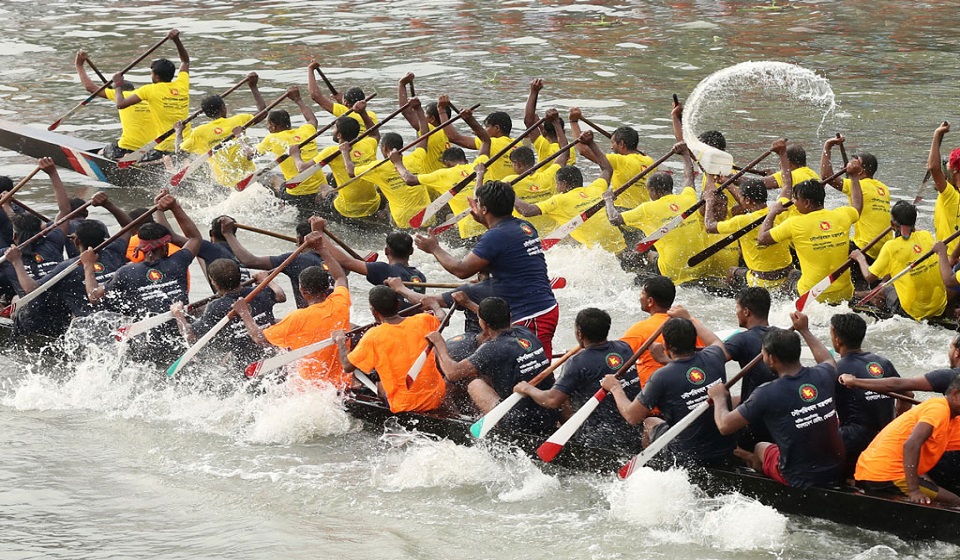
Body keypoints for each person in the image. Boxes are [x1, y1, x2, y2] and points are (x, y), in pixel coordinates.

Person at [414, 179, 559, 356]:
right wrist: (484, 221)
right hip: (539, 305)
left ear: (484, 209)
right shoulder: (524, 226)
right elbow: (499, 247)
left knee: (534, 368)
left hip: (530, 313)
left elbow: (462, 270)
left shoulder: (496, 236)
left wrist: (434, 248)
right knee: (470, 289)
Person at [708, 312, 845, 489]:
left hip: (797, 477)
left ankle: (753, 465)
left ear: (772, 358)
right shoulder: (824, 374)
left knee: (760, 447)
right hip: (836, 469)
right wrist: (804, 330)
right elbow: (827, 358)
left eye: (763, 353)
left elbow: (724, 425)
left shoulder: (766, 392)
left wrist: (718, 397)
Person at [601, 310, 735, 467]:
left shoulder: (661, 376)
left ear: (666, 345)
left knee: (649, 421)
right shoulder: (714, 356)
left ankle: (655, 469)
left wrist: (615, 387)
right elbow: (715, 341)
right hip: (725, 449)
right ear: (695, 341)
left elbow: (632, 417)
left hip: (687, 457)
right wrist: (689, 318)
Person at [81, 193, 202, 364]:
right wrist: (175, 207)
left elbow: (93, 296)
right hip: (181, 338)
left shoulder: (126, 272)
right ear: (165, 245)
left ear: (142, 248)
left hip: (147, 344)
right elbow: (195, 238)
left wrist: (88, 265)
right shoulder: (179, 262)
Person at [235, 226, 352, 389]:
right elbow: (339, 276)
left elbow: (259, 338)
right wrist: (321, 249)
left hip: (308, 389)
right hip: (341, 383)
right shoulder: (340, 302)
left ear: (302, 291)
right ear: (327, 288)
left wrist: (244, 313)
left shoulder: (296, 318)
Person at [514, 308, 642, 452]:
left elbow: (552, 401)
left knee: (563, 395)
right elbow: (599, 362)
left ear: (579, 334)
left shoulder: (577, 363)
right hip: (634, 433)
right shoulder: (624, 347)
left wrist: (526, 388)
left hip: (597, 441)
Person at [7, 193, 130, 337]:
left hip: (91, 329)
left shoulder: (68, 267)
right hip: (120, 318)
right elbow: (128, 226)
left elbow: (31, 290)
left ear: (76, 241)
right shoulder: (114, 250)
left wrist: (16, 262)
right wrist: (108, 205)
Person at [430, 297, 559, 434]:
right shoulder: (526, 333)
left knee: (475, 383)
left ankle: (467, 421)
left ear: (483, 324)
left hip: (519, 422)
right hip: (550, 411)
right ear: (509, 317)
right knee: (487, 374)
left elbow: (452, 373)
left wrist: (439, 343)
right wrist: (468, 303)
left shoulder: (492, 349)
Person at [758, 159, 863, 304]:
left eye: (796, 199)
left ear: (807, 203)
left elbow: (762, 239)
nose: (794, 202)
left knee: (789, 276)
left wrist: (772, 212)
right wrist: (854, 177)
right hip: (844, 294)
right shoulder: (842, 215)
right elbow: (857, 206)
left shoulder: (795, 223)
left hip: (813, 296)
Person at [605, 141, 707, 283]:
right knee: (649, 247)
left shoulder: (647, 209)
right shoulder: (688, 198)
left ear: (655, 191)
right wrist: (685, 153)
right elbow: (689, 176)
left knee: (631, 265)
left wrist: (608, 199)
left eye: (649, 190)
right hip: (700, 267)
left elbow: (614, 219)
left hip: (672, 272)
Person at [334, 285, 446, 413]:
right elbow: (443, 319)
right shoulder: (424, 320)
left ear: (374, 311)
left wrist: (341, 342)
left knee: (379, 385)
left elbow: (347, 366)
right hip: (437, 397)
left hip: (404, 405)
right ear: (398, 304)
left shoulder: (373, 336)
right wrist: (434, 305)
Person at [854, 375, 960, 506]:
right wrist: (914, 490)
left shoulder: (954, 418)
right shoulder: (939, 409)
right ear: (955, 394)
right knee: (955, 502)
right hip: (885, 475)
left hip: (877, 471)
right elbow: (911, 444)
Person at [513, 131, 625, 254]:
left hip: (599, 255)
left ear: (564, 184)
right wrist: (591, 143)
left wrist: (511, 194)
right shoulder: (597, 188)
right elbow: (607, 169)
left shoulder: (559, 200)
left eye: (557, 183)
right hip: (620, 246)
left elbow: (527, 211)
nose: (556, 186)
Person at [705, 139, 794, 290]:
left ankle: (734, 295)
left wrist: (709, 201)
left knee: (732, 271)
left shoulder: (741, 221)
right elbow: (787, 184)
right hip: (787, 275)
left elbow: (709, 226)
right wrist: (783, 153)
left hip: (761, 282)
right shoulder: (781, 208)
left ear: (747, 199)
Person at [390, 106, 491, 238]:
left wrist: (397, 162)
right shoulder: (480, 165)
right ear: (465, 160)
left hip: (469, 232)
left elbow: (409, 179)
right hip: (490, 226)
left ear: (447, 164)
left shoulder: (443, 174)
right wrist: (470, 119)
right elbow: (486, 140)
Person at [171, 259, 284, 374]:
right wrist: (266, 280)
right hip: (274, 355)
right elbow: (280, 296)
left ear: (214, 283)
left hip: (243, 366)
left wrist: (178, 314)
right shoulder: (260, 292)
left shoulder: (216, 307)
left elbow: (189, 335)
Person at [830, 313, 900, 477]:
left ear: (838, 340)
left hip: (854, 441)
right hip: (886, 436)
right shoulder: (883, 362)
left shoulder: (836, 369)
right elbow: (907, 394)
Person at [344, 99, 432, 229]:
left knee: (381, 189)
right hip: (428, 217)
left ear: (384, 149)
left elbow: (351, 171)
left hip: (404, 221)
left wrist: (345, 151)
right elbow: (424, 134)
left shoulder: (378, 167)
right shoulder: (417, 157)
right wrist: (419, 109)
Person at [853, 201, 947, 321]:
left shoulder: (891, 247)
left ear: (892, 223)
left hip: (913, 312)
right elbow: (910, 231)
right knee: (892, 275)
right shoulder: (926, 235)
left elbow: (869, 277)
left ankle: (858, 295)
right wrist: (904, 225)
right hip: (939, 306)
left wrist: (859, 257)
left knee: (883, 289)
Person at [289, 108, 382, 220]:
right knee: (331, 176)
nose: (332, 130)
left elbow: (302, 168)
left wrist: (295, 155)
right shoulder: (368, 144)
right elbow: (375, 133)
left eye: (334, 128)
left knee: (323, 187)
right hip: (373, 205)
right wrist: (363, 113)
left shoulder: (332, 151)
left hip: (347, 210)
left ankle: (314, 216)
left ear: (339, 135)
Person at [112, 29, 190, 159]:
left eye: (151, 73)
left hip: (163, 148)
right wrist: (177, 41)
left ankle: (165, 161)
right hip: (184, 143)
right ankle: (174, 162)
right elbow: (185, 61)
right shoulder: (182, 84)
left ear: (157, 77)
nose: (151, 76)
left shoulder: (149, 90)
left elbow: (120, 104)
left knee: (124, 156)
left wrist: (118, 85)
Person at [0, 158, 73, 296]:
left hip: (27, 306)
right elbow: (65, 211)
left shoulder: (7, 255)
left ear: (14, 237)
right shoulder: (53, 241)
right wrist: (53, 173)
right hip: (60, 303)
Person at [175, 77, 266, 187]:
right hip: (249, 176)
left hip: (223, 183)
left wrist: (179, 131)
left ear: (207, 114)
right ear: (223, 108)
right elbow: (263, 112)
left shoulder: (199, 132)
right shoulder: (239, 120)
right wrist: (253, 86)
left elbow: (179, 151)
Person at [219, 217, 324, 309]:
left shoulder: (295, 259)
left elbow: (250, 261)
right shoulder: (336, 257)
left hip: (307, 319)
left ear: (299, 239)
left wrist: (228, 234)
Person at [250, 87, 324, 216]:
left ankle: (280, 204)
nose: (268, 128)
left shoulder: (272, 138)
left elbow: (250, 155)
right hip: (320, 188)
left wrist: (240, 138)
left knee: (267, 177)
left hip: (297, 195)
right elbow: (312, 119)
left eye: (268, 125)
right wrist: (298, 100)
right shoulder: (306, 131)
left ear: (273, 126)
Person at [721, 287, 779, 449]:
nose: (736, 313)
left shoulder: (742, 340)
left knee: (718, 408)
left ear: (746, 312)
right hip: (780, 417)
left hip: (756, 428)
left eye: (737, 309)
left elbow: (711, 359)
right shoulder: (783, 336)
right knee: (734, 400)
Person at [620, 276, 702, 387]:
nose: (640, 297)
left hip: (652, 397)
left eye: (642, 293)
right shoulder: (692, 324)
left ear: (650, 301)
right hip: (691, 387)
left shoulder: (639, 330)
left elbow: (617, 360)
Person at [821, 136, 892, 263]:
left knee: (825, 245)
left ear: (860, 171)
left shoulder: (858, 185)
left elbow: (826, 176)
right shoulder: (884, 188)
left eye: (854, 163)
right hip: (884, 249)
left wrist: (828, 146)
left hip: (864, 247)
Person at [74, 50, 155, 159]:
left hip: (129, 146)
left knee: (101, 153)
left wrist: (79, 65)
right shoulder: (146, 97)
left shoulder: (122, 95)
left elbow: (90, 87)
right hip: (153, 146)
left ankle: (124, 157)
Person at [570, 109, 654, 208]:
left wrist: (573, 122)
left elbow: (583, 151)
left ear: (621, 144)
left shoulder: (619, 160)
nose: (611, 147)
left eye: (613, 143)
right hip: (642, 210)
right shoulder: (649, 161)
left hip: (622, 210)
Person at [325, 230, 425, 297]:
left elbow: (345, 262)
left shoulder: (383, 269)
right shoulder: (420, 277)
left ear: (386, 251)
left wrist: (320, 235)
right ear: (411, 251)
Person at [441, 96, 515, 181]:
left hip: (495, 191)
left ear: (496, 128)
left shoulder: (491, 142)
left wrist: (442, 110)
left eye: (486, 127)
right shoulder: (518, 144)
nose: (484, 130)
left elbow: (453, 137)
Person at [397, 72, 450, 175]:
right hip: (445, 179)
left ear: (432, 119)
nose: (421, 117)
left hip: (431, 182)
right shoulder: (449, 132)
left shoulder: (429, 129)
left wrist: (402, 85)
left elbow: (406, 112)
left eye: (425, 115)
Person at [306, 60, 378, 132]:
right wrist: (343, 101)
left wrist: (310, 69)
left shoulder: (344, 112)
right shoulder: (372, 115)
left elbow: (315, 96)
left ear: (346, 103)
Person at [524, 78, 575, 166]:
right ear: (563, 131)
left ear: (544, 132)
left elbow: (528, 122)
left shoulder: (544, 147)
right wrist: (555, 122)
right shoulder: (570, 148)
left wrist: (534, 92)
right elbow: (563, 144)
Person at [927, 122, 960, 254]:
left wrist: (937, 134)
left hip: (948, 260)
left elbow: (934, 168)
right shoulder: (950, 191)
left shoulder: (950, 195)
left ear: (955, 170)